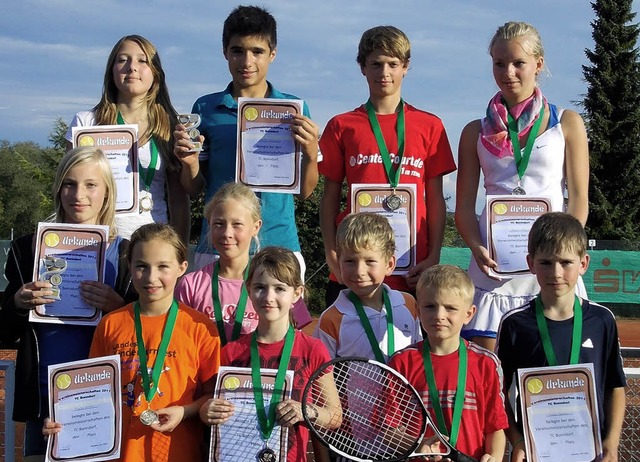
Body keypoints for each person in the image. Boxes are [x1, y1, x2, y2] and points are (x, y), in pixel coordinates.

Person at [455, 21, 590, 351]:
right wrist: (477, 248)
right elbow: (462, 209)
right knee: (492, 378)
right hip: (494, 274)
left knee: (553, 377)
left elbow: (579, 200)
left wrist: (561, 251)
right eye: (499, 63)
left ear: (538, 65)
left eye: (518, 63)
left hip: (550, 268)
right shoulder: (474, 131)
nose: (508, 72)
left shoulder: (567, 123)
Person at [0, 146, 137, 462]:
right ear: (58, 188)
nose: (79, 194)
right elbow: (5, 333)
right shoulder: (26, 249)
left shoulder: (129, 254)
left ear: (107, 192)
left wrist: (118, 307)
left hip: (106, 397)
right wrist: (19, 303)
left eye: (91, 185)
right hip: (44, 398)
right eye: (69, 184)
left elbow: (147, 330)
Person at [45, 223, 221, 461]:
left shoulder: (200, 328)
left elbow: (213, 397)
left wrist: (184, 411)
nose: (151, 277)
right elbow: (90, 394)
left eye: (163, 267)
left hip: (177, 452)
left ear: (182, 268)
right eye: (141, 266)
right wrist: (63, 421)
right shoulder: (110, 324)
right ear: (129, 266)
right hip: (120, 454)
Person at [173, 5, 320, 273]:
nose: (247, 61)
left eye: (257, 51)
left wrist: (311, 153)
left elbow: (306, 192)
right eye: (238, 51)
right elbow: (193, 188)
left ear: (272, 54)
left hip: (278, 242)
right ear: (225, 52)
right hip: (218, 243)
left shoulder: (292, 109)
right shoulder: (206, 107)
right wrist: (190, 163)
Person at [319, 25, 456, 304]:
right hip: (354, 266)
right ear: (363, 68)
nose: (384, 73)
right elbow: (330, 196)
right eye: (376, 64)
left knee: (410, 346)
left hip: (412, 267)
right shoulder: (341, 125)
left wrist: (434, 255)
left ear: (405, 67)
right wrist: (331, 252)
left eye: (393, 64)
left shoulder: (430, 126)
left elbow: (436, 200)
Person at [496, 212, 626, 462]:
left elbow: (615, 386)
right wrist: (518, 441)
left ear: (583, 263)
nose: (556, 272)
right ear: (531, 263)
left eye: (566, 262)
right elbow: (497, 394)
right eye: (546, 262)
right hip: (537, 453)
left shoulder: (602, 320)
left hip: (592, 453)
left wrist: (611, 443)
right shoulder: (515, 323)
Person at [199, 247, 341, 462]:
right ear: (248, 289)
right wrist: (206, 410)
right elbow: (209, 405)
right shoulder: (231, 352)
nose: (269, 297)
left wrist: (306, 412)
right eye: (260, 287)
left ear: (297, 293)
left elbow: (335, 416)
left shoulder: (313, 349)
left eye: (279, 288)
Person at [65, 34, 191, 242]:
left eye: (142, 61)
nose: (132, 67)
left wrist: (180, 251)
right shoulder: (86, 122)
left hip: (152, 243)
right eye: (123, 60)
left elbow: (179, 200)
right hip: (98, 240)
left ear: (155, 73)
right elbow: (68, 191)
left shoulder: (170, 126)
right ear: (111, 70)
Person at [388, 265, 508, 461]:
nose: (439, 315)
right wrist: (418, 444)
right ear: (417, 309)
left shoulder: (485, 363)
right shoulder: (401, 363)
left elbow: (495, 427)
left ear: (469, 314)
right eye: (430, 306)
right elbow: (388, 429)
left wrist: (493, 456)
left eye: (450, 308)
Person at [174, 182, 310, 345]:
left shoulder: (281, 279)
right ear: (209, 224)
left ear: (256, 227)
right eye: (219, 224)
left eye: (237, 225)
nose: (227, 233)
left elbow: (300, 336)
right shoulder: (190, 285)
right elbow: (179, 340)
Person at [313, 212, 422, 362]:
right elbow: (322, 374)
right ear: (339, 263)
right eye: (350, 261)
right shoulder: (331, 319)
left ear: (389, 265)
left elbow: (418, 357)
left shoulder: (409, 304)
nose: (359, 272)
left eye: (370, 261)